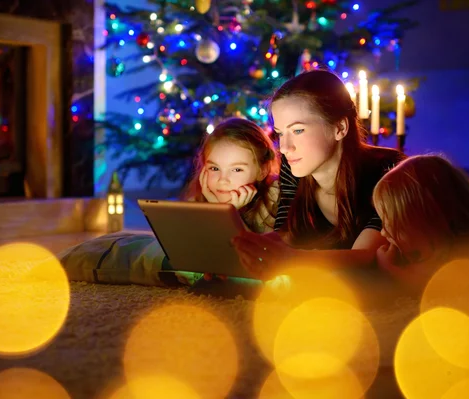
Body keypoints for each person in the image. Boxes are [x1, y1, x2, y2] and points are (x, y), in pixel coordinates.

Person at [232, 69, 405, 279]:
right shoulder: (293, 170)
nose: (285, 147)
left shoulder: (388, 171)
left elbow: (365, 256)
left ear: (340, 127)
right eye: (280, 133)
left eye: (297, 130)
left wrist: (294, 260)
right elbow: (285, 237)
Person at [159, 117, 280, 287]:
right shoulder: (200, 200)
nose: (223, 180)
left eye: (237, 169)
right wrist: (216, 212)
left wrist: (230, 215)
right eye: (214, 169)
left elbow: (258, 266)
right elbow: (194, 257)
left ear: (263, 170)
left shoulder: (274, 201)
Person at [373, 154, 469, 288]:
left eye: (388, 223)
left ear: (426, 223)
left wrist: (392, 271)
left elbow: (445, 289)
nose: (383, 232)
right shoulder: (430, 252)